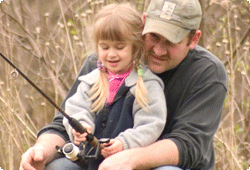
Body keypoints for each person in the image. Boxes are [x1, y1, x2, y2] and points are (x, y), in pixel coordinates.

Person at [19, 0, 228, 170]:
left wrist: (129, 158)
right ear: (144, 24)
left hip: (163, 165)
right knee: (57, 167)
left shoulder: (208, 73)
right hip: (95, 162)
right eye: (154, 36)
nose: (158, 50)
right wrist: (40, 152)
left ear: (194, 39)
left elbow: (189, 145)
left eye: (171, 41)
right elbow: (63, 124)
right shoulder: (104, 63)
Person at [62, 3, 166, 170]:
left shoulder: (147, 85)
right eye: (104, 47)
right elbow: (76, 108)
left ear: (135, 46)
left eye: (119, 47)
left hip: (129, 164)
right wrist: (81, 126)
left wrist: (124, 143)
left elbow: (151, 125)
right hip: (88, 162)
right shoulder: (90, 81)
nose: (111, 54)